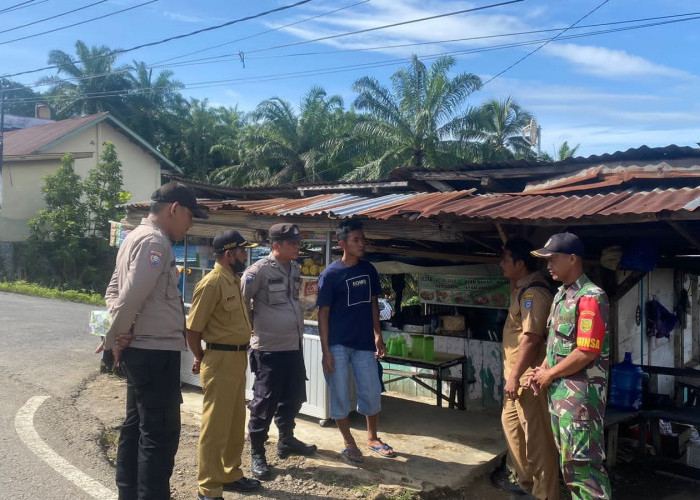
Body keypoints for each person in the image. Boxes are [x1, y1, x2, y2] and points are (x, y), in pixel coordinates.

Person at [103, 181, 208, 500]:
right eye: (191, 216)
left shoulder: (133, 237)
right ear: (174, 209)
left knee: (136, 428)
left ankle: (128, 494)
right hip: (153, 351)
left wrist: (120, 332)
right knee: (159, 435)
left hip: (142, 350)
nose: (191, 224)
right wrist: (112, 341)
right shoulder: (155, 242)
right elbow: (130, 295)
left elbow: (113, 293)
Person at [528, 232, 612, 500]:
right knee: (570, 470)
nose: (548, 265)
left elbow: (587, 351)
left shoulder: (591, 297)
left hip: (580, 404)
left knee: (585, 472)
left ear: (573, 258)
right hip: (561, 400)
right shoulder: (560, 296)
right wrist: (541, 370)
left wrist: (548, 375)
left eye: (553, 258)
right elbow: (556, 346)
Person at [186, 230, 262, 500]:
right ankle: (208, 486)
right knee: (215, 425)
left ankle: (230, 473)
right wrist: (199, 356)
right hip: (218, 359)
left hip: (237, 358)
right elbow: (192, 329)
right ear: (229, 255)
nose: (245, 256)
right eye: (242, 252)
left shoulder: (233, 279)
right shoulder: (212, 283)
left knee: (233, 421)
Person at [317, 219, 397, 463]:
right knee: (340, 393)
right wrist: (325, 351)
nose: (362, 243)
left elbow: (373, 303)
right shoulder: (330, 274)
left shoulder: (369, 269)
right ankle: (349, 442)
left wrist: (377, 335)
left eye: (363, 239)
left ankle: (372, 437)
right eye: (356, 240)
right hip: (338, 343)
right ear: (343, 244)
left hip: (364, 343)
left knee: (372, 391)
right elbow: (323, 313)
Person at [241, 223, 317, 480]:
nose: (297, 246)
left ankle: (286, 439)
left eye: (297, 242)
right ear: (276, 246)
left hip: (293, 346)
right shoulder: (258, 271)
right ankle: (257, 452)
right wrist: (250, 329)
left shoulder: (294, 268)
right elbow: (242, 303)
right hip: (269, 349)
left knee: (294, 397)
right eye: (292, 243)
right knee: (264, 402)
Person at [499, 238, 559, 500]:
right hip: (514, 378)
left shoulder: (534, 293)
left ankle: (545, 494)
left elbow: (532, 338)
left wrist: (514, 376)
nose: (501, 264)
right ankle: (528, 487)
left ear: (520, 263)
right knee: (512, 428)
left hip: (527, 378)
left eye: (505, 260)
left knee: (537, 440)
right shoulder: (520, 289)